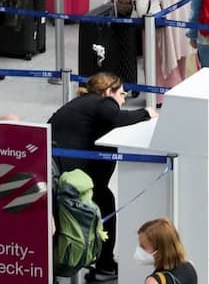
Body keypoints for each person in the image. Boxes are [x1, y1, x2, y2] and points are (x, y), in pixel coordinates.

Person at [49, 72, 155, 279]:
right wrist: (146, 113)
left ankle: (92, 261)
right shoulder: (102, 103)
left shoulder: (85, 106)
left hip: (58, 167)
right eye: (122, 94)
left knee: (97, 202)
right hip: (62, 171)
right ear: (108, 91)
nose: (123, 101)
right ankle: (104, 264)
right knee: (104, 202)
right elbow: (116, 118)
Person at [136, 218, 196, 284]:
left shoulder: (153, 281)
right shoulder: (190, 266)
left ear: (160, 251)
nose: (139, 250)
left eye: (143, 247)